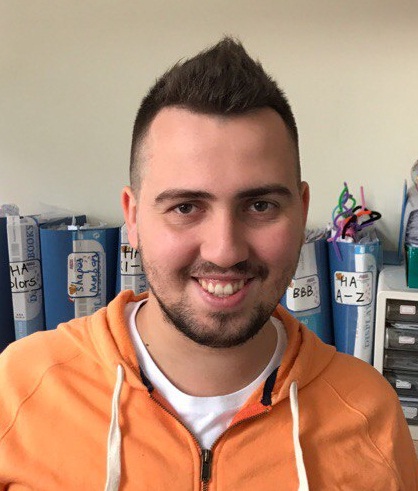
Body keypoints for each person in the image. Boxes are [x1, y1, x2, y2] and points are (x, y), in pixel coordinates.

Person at [0, 38, 417, 491]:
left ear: (301, 212)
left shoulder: (368, 412)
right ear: (133, 218)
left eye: (260, 206)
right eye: (185, 207)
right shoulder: (19, 389)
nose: (224, 251)